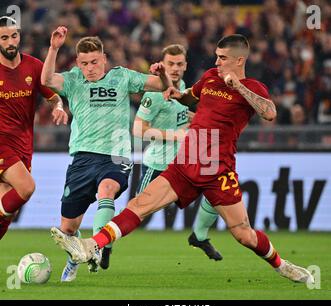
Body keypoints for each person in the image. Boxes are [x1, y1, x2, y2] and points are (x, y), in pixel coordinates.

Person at [51, 34, 314, 284]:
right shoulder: (211, 78)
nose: (216, 62)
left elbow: (269, 113)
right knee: (140, 204)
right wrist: (172, 87)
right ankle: (91, 245)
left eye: (222, 58)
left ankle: (281, 265)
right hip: (187, 161)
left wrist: (239, 88)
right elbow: (188, 95)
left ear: (239, 60)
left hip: (217, 169)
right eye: (216, 56)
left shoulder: (253, 88)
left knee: (243, 234)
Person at [42, 26, 172, 282]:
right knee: (68, 227)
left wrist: (163, 74)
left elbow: (160, 85)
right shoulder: (73, 80)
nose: (90, 67)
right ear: (78, 63)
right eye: (84, 63)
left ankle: (97, 247)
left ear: (104, 58)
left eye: (94, 61)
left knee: (108, 189)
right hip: (82, 157)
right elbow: (46, 80)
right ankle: (75, 255)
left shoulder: (122, 77)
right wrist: (54, 48)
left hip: (116, 155)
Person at [133, 43, 222, 261]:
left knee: (217, 188)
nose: (175, 68)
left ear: (185, 66)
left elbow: (182, 116)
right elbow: (138, 130)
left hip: (184, 162)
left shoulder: (184, 89)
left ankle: (199, 235)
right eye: (170, 63)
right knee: (137, 212)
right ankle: (105, 245)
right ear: (162, 65)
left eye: (179, 64)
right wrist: (175, 135)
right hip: (157, 165)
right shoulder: (153, 93)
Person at [0, 16, 67, 240]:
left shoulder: (33, 66)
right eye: (4, 38)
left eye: (14, 36)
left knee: (10, 207)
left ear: (19, 36)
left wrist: (59, 106)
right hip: (2, 143)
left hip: (23, 146)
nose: (10, 42)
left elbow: (53, 96)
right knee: (26, 187)